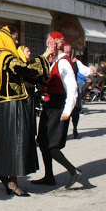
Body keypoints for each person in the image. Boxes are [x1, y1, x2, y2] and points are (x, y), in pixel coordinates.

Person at [0, 26, 51, 196]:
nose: (16, 42)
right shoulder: (7, 57)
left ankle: (6, 174)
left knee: (8, 143)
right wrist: (43, 61)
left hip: (7, 105)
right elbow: (25, 70)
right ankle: (12, 181)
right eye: (14, 39)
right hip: (13, 106)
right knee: (16, 143)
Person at [33, 33, 82, 189]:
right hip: (50, 105)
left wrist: (68, 110)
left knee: (51, 144)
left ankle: (73, 171)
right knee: (42, 141)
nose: (48, 48)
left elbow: (72, 87)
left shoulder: (63, 63)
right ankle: (49, 176)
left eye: (49, 45)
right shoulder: (55, 62)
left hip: (58, 105)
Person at [64, 44, 92, 140]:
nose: (69, 52)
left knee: (75, 111)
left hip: (74, 89)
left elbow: (85, 70)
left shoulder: (76, 62)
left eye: (71, 51)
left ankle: (75, 129)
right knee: (64, 111)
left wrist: (91, 70)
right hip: (63, 90)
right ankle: (63, 131)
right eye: (67, 50)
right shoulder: (61, 61)